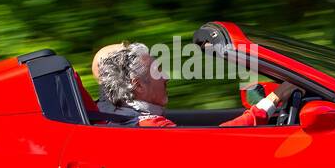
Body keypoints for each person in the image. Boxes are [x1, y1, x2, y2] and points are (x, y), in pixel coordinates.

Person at [92, 41, 294, 127]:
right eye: (157, 72)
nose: (166, 77)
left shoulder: (108, 108)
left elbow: (100, 62)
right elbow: (220, 142)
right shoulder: (151, 128)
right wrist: (274, 99)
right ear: (138, 86)